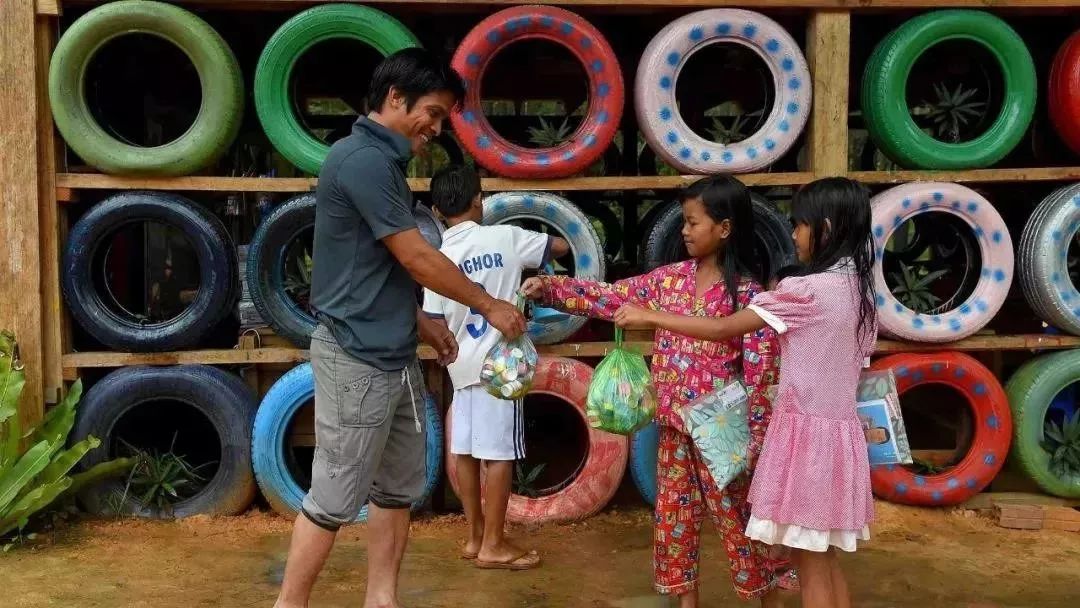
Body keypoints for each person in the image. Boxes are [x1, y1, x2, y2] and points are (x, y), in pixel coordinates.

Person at [273, 49, 527, 608]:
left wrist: (424, 321)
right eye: (432, 114)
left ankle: (381, 599)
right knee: (335, 496)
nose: (435, 130)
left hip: (392, 353)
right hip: (357, 356)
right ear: (394, 99)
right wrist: (488, 303)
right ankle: (289, 604)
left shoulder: (381, 164)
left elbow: (373, 266)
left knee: (396, 489)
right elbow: (413, 255)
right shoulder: (361, 160)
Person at [522, 176, 790, 607]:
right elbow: (610, 298)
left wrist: (756, 440)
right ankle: (687, 603)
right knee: (674, 520)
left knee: (739, 523)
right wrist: (553, 289)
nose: (684, 231)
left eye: (692, 222)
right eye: (683, 222)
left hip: (723, 432)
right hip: (673, 425)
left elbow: (761, 375)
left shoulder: (749, 296)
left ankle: (767, 600)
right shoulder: (669, 282)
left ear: (724, 228)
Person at [610, 177, 877, 608]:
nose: (792, 234)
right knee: (824, 561)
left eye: (800, 224)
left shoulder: (804, 292)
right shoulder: (860, 291)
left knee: (810, 568)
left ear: (824, 228)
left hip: (804, 442)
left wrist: (651, 315)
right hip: (839, 442)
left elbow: (721, 329)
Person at [421, 164, 570, 571]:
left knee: (467, 452)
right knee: (500, 455)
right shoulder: (504, 236)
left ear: (436, 211)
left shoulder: (436, 259)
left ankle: (474, 538)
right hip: (500, 365)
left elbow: (433, 322)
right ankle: (494, 543)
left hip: (460, 365)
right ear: (478, 200)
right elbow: (556, 247)